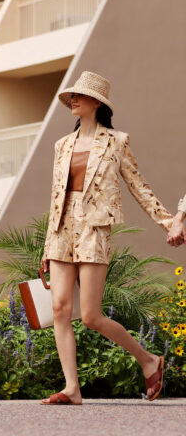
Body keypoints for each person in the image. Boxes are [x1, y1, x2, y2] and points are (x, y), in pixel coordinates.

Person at [40, 71, 175, 405]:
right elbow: (56, 195)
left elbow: (139, 186)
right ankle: (72, 388)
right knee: (59, 309)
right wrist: (46, 245)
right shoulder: (61, 145)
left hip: (94, 230)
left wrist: (169, 222)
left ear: (97, 102)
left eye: (80, 95)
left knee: (90, 316)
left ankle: (148, 360)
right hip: (61, 229)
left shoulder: (116, 142)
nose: (74, 99)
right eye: (72, 95)